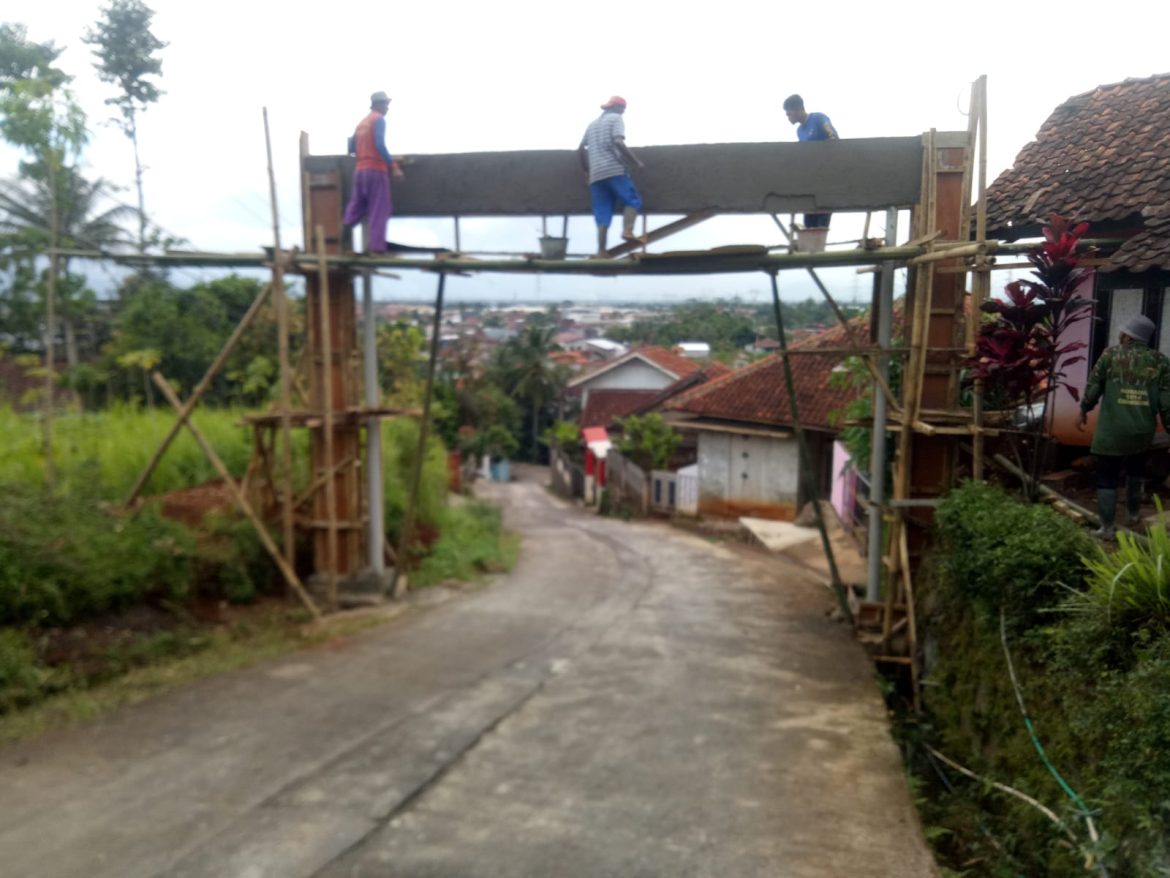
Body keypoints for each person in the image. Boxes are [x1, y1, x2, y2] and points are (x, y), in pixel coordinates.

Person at [1077, 314, 1170, 538]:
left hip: (1112, 432)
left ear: (1128, 335)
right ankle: (1133, 515)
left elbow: (1094, 387)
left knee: (1107, 477)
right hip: (1142, 432)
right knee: (1136, 472)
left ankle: (1106, 528)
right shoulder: (1161, 361)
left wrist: (1083, 410)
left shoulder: (1110, 355)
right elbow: (1166, 402)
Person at [578, 96, 645, 257]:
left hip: (596, 176)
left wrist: (587, 172)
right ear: (618, 108)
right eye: (623, 109)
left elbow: (580, 149)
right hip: (614, 170)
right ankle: (628, 231)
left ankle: (601, 251)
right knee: (632, 200)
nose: (623, 113)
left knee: (602, 213)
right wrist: (636, 161)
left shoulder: (592, 125)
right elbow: (618, 142)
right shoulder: (616, 119)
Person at [344, 90, 404, 253]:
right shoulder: (379, 120)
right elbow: (380, 145)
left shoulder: (361, 123)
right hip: (376, 171)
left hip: (360, 171)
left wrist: (364, 153)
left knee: (356, 206)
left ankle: (343, 241)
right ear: (379, 104)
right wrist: (394, 166)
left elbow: (351, 148)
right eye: (386, 104)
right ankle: (376, 248)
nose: (387, 108)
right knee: (379, 208)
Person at [782, 94, 838, 231]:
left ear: (799, 109)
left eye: (789, 114)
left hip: (826, 181)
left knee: (820, 226)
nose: (788, 117)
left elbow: (834, 139)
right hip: (811, 184)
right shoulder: (800, 131)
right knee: (808, 226)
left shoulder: (818, 118)